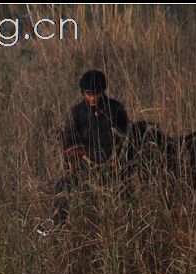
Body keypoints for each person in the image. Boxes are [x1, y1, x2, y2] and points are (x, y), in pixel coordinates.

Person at [37, 69, 130, 235]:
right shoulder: (77, 112)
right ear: (82, 93)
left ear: (103, 91)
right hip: (85, 163)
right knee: (63, 184)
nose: (93, 97)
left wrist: (119, 155)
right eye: (89, 94)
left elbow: (127, 135)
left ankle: (126, 225)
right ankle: (57, 221)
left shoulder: (115, 109)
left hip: (114, 163)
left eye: (96, 93)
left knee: (127, 188)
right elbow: (69, 142)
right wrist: (80, 156)